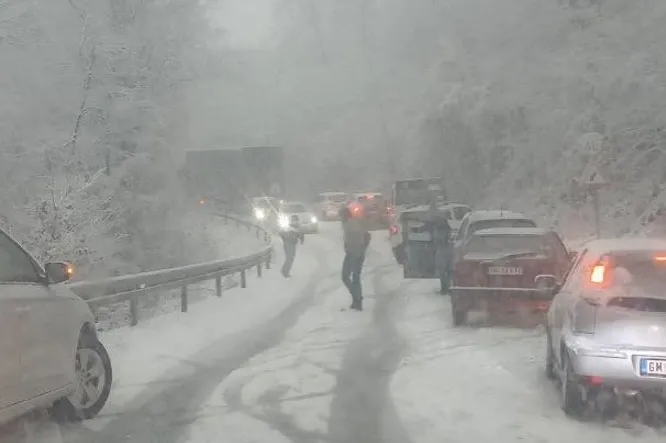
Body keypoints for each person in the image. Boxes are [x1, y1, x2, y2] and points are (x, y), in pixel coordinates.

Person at [341, 202, 371, 310]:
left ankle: (357, 299)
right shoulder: (350, 223)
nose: (340, 218)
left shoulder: (351, 224)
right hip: (356, 252)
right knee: (355, 277)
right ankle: (357, 300)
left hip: (354, 253)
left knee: (346, 276)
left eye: (341, 216)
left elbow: (358, 239)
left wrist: (355, 251)